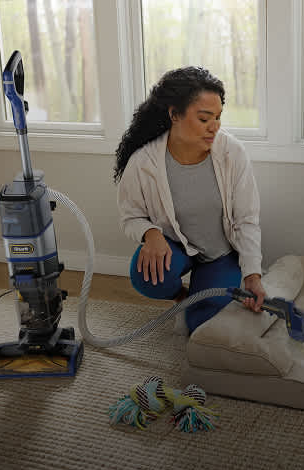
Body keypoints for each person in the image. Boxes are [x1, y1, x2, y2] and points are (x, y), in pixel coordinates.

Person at [114, 66, 266, 335]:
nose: (214, 127)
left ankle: (202, 295)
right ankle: (182, 297)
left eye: (218, 117)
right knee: (146, 277)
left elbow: (246, 219)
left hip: (220, 255)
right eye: (205, 118)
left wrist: (253, 275)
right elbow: (130, 216)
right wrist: (151, 233)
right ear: (174, 114)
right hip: (178, 247)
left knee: (201, 327)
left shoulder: (232, 153)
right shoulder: (144, 162)